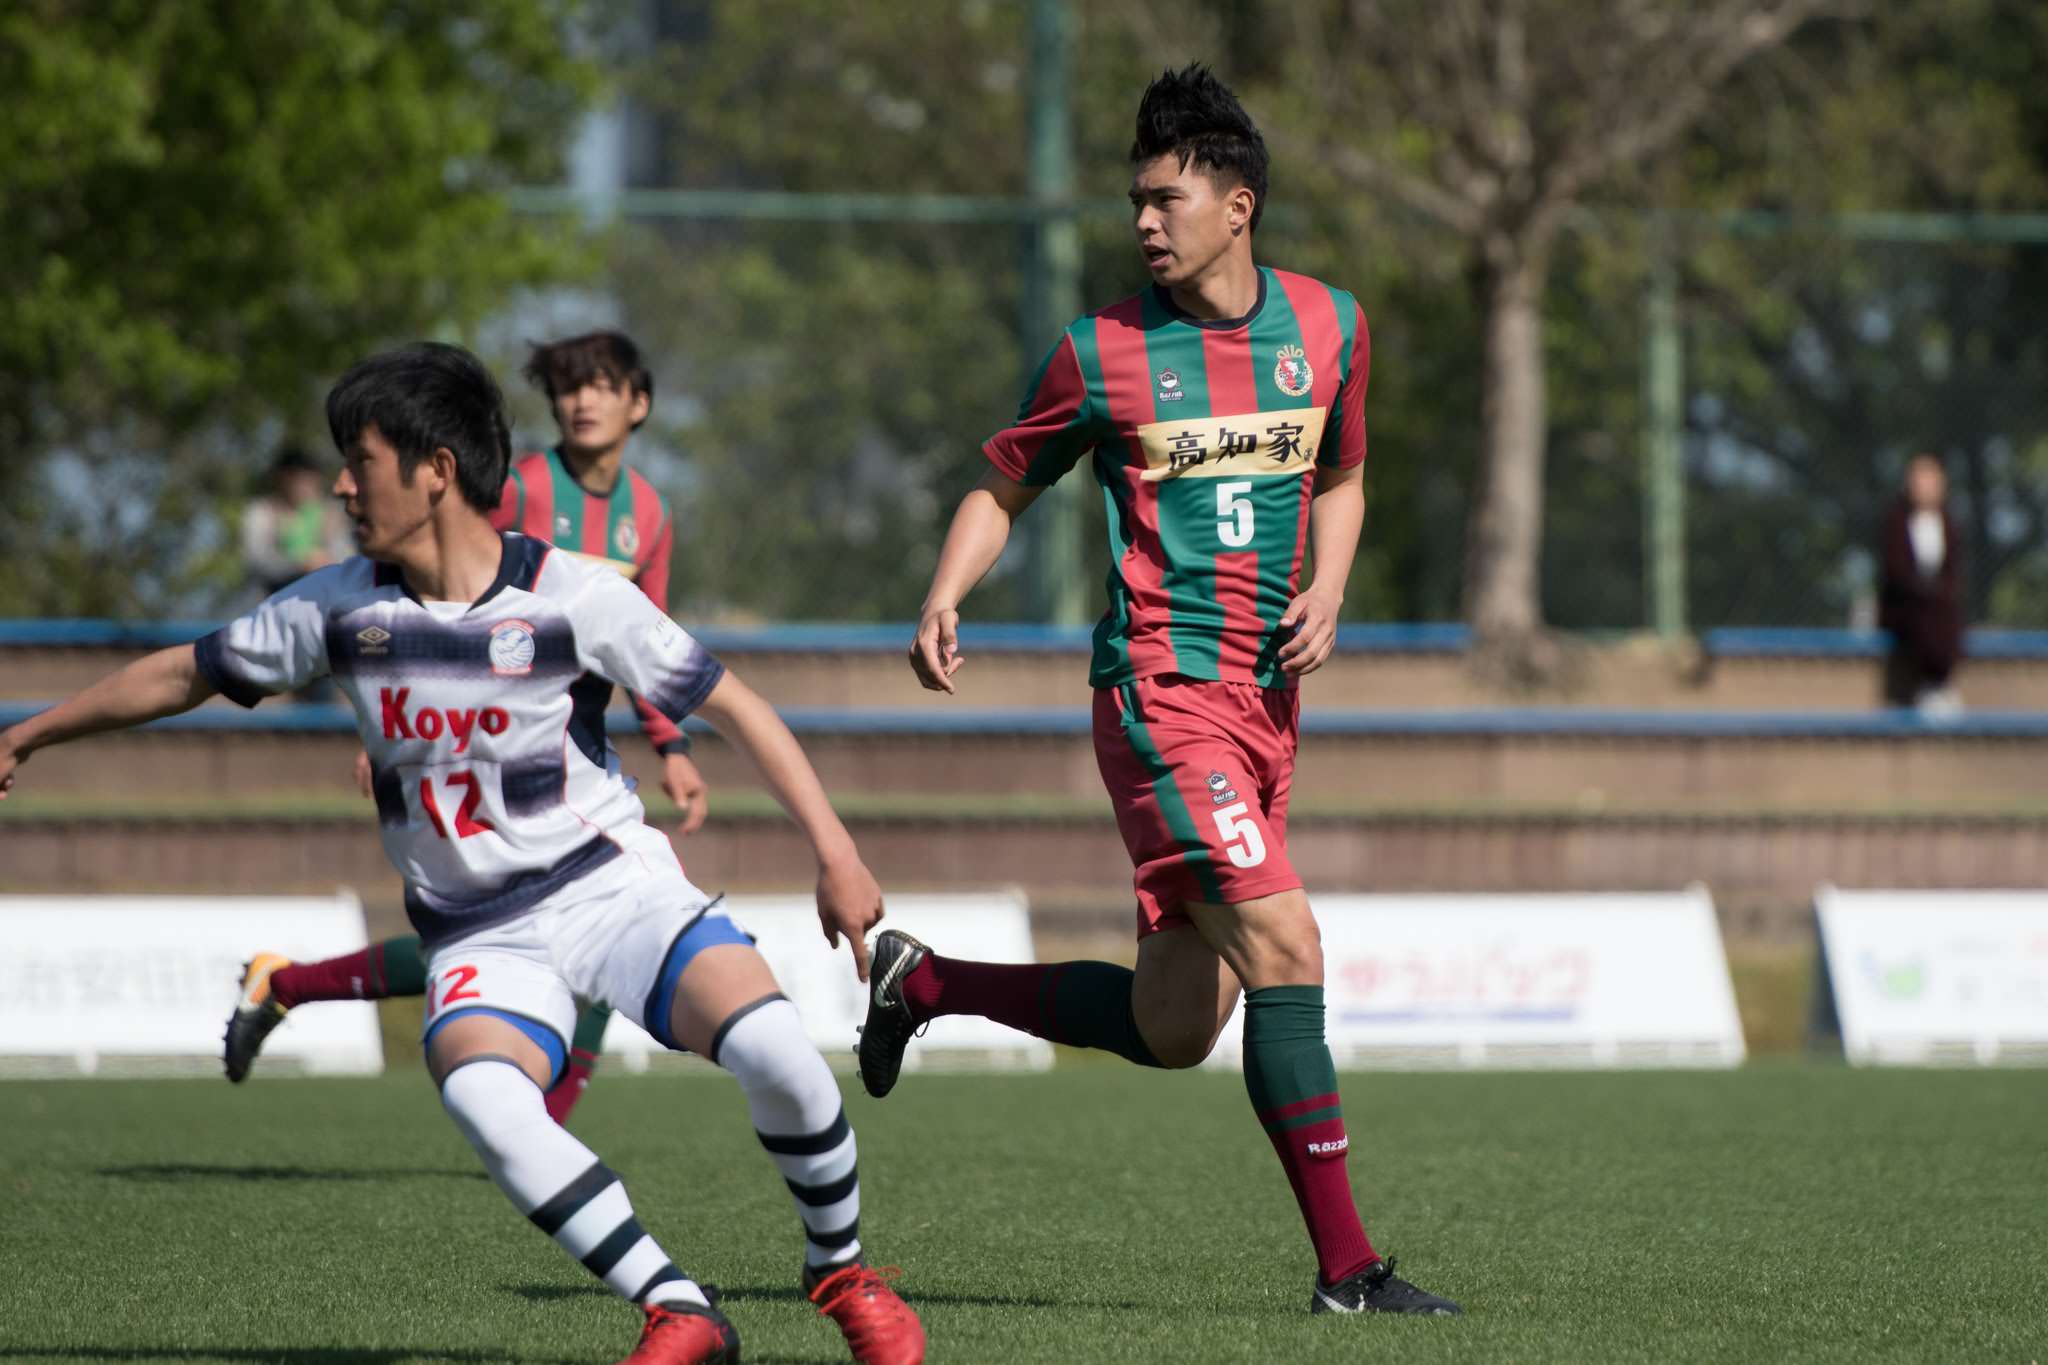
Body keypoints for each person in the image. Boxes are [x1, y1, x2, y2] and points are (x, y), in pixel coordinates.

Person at [0, 343, 924, 1365]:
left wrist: (836, 853)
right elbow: (186, 673)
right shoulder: (337, 606)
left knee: (777, 1051)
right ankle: (680, 1312)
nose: (342, 486)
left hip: (611, 889)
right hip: (479, 934)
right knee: (484, 1094)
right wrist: (28, 734)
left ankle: (839, 1269)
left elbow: (735, 705)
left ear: (436, 470)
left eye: (360, 460)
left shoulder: (572, 594)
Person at [862, 65, 1459, 1319]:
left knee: (1176, 1024)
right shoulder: (1100, 352)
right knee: (1287, 946)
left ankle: (923, 983)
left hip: (1266, 706)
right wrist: (942, 592)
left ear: (1237, 206)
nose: (1142, 220)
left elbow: (1343, 477)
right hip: (1161, 695)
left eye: (1164, 198)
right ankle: (1349, 1273)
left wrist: (1328, 589)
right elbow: (1001, 486)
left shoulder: (1330, 326)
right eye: (1133, 200)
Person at [225, 332, 709, 1125]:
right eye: (567, 388)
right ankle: (541, 1117)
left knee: (575, 930)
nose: (581, 401)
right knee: (512, 932)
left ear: (639, 402)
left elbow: (651, 637)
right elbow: (416, 588)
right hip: (476, 737)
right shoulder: (520, 488)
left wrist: (672, 745)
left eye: (599, 385)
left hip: (573, 746)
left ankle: (288, 984)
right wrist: (390, 725)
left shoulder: (650, 513)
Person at [1878, 451, 1965, 715]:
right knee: (1923, 614)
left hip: (1939, 606)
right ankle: (1929, 685)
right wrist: (1923, 590)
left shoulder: (1949, 524)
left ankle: (1940, 683)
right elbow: (1895, 571)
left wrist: (1940, 591)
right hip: (1906, 606)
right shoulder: (1895, 522)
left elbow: (1953, 570)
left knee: (1943, 613)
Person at [242, 445, 354, 597]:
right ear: (282, 478)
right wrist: (300, 563)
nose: (304, 485)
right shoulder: (262, 512)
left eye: (308, 478)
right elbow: (257, 561)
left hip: (326, 594)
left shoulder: (332, 512)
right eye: (298, 478)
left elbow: (347, 558)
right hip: (275, 596)